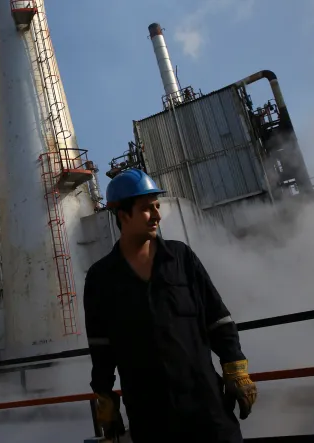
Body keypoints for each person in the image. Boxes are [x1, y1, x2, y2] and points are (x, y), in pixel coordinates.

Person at [83, 169, 257, 443]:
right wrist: (104, 398)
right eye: (146, 209)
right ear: (123, 215)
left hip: (206, 407)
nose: (157, 215)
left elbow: (218, 318)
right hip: (150, 416)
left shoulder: (181, 258)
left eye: (157, 206)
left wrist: (236, 369)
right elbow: (101, 347)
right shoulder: (101, 278)